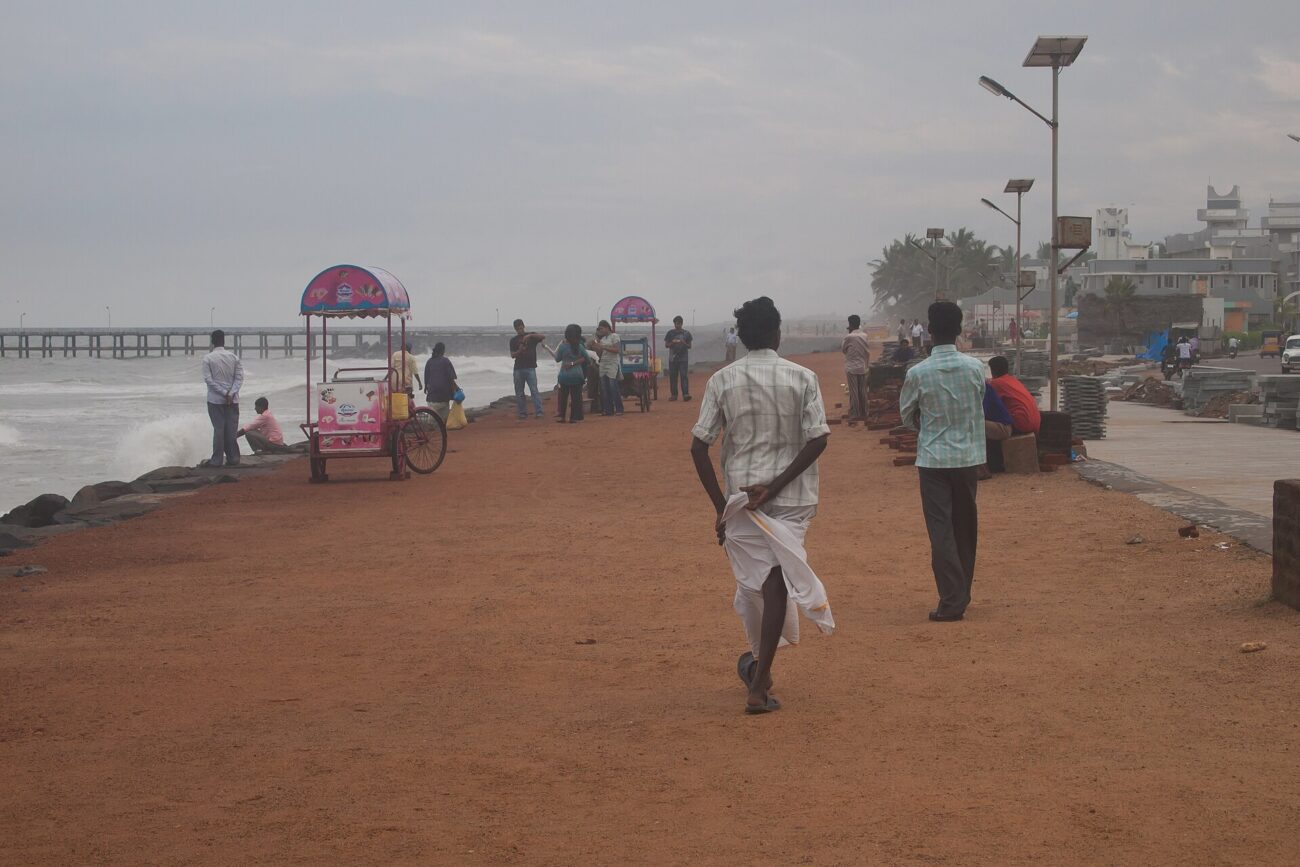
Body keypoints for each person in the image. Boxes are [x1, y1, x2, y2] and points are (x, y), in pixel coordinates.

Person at [690, 296, 834, 715]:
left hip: (742, 501)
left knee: (761, 584)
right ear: (777, 333)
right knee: (766, 585)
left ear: (744, 336)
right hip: (790, 500)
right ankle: (759, 676)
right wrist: (775, 486)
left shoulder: (722, 380)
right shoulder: (802, 377)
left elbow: (699, 448)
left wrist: (721, 506)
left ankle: (759, 670)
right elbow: (819, 438)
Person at [899, 301, 985, 623]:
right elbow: (977, 404)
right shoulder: (975, 368)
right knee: (965, 527)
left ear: (929, 331)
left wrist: (927, 426)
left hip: (933, 460)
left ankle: (952, 599)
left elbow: (907, 415)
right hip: (967, 459)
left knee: (941, 530)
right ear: (959, 329)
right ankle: (960, 594)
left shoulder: (918, 373)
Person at [202, 329, 244, 468]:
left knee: (218, 430)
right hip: (233, 400)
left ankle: (217, 460)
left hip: (215, 400)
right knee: (231, 430)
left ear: (212, 341)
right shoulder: (234, 357)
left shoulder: (208, 358)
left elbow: (209, 380)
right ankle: (233, 458)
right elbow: (239, 378)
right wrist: (231, 393)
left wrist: (223, 393)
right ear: (224, 341)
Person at [986, 356, 1041, 435]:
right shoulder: (1013, 380)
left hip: (1022, 424)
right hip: (1035, 424)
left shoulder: (996, 383)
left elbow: (987, 404)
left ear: (993, 370)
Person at [509, 319, 547, 420]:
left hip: (530, 367)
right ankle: (522, 413)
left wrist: (530, 336)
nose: (519, 330)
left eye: (521, 328)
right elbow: (512, 355)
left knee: (534, 390)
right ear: (515, 329)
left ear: (523, 326)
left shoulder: (532, 336)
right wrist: (519, 351)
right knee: (519, 392)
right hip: (518, 368)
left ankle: (539, 412)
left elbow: (543, 337)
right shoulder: (513, 340)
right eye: (517, 329)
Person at [554, 324, 590, 423]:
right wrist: (576, 362)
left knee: (563, 397)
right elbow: (588, 360)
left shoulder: (562, 346)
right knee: (576, 397)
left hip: (564, 375)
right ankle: (575, 417)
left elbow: (557, 359)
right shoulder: (580, 347)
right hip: (577, 375)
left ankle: (562, 416)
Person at [590, 321, 624, 416]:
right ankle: (608, 409)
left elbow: (617, 350)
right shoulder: (603, 339)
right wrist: (596, 346)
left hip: (612, 363)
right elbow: (600, 353)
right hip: (604, 363)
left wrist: (603, 347)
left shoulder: (614, 336)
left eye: (601, 329)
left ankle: (619, 408)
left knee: (613, 387)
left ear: (606, 328)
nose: (600, 331)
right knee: (604, 388)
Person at [981, 383, 1014, 478]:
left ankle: (981, 470)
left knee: (973, 425)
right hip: (995, 425)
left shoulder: (984, 389)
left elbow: (981, 413)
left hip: (1003, 428)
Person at [841, 314, 871, 421]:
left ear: (850, 324)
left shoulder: (849, 337)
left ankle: (855, 413)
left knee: (854, 391)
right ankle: (864, 412)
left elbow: (844, 350)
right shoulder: (865, 336)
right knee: (862, 390)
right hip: (863, 366)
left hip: (851, 367)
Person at [423, 342, 459, 419]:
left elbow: (426, 378)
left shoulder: (429, 362)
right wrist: (457, 389)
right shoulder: (446, 361)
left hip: (432, 397)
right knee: (444, 420)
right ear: (443, 351)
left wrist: (425, 388)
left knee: (432, 421)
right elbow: (451, 378)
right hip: (444, 396)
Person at [665, 315, 693, 401]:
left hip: (683, 359)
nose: (678, 325)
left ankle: (685, 394)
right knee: (673, 376)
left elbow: (689, 346)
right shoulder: (670, 333)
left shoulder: (687, 334)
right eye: (676, 324)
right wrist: (672, 342)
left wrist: (684, 343)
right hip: (673, 359)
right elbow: (666, 345)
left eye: (679, 324)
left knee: (684, 376)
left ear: (682, 323)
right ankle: (674, 395)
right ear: (674, 324)